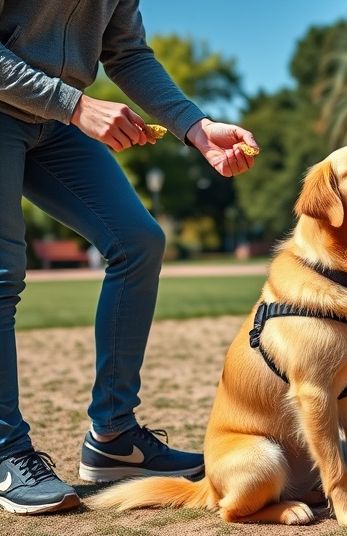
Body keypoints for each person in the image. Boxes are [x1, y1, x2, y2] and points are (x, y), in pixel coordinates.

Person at [0, 0, 259, 514]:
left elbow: (127, 52)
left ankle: (114, 436)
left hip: (53, 123)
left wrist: (196, 128)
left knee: (138, 241)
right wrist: (75, 105)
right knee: (2, 273)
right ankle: (6, 451)